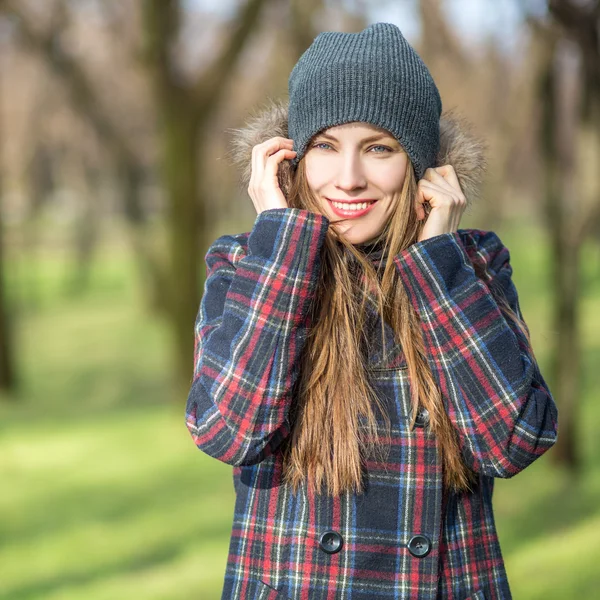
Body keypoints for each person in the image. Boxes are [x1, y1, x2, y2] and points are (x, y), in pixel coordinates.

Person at [185, 22, 558, 600]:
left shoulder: (470, 265)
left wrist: (437, 262)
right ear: (289, 160)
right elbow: (227, 430)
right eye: (326, 148)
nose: (350, 178)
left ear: (419, 166)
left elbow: (512, 442)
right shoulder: (245, 266)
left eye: (378, 148)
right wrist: (282, 239)